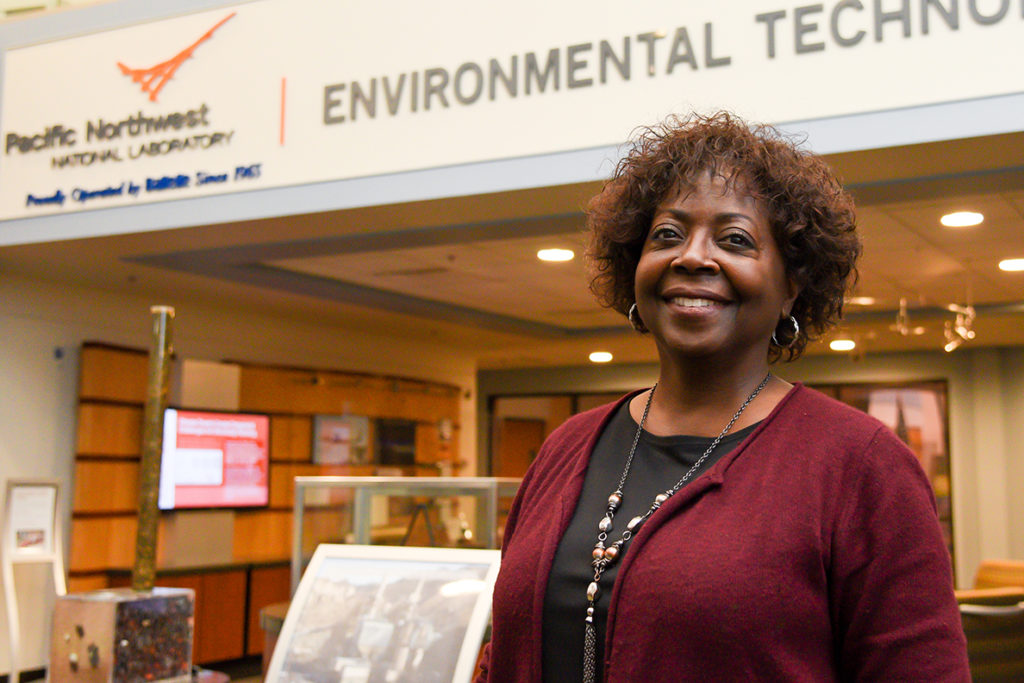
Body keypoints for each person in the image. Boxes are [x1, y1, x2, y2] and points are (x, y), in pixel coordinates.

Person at [475, 112, 969, 681]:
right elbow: (501, 657)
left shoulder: (862, 465)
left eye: (735, 240)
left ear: (792, 287)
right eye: (667, 235)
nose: (691, 256)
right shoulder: (567, 447)